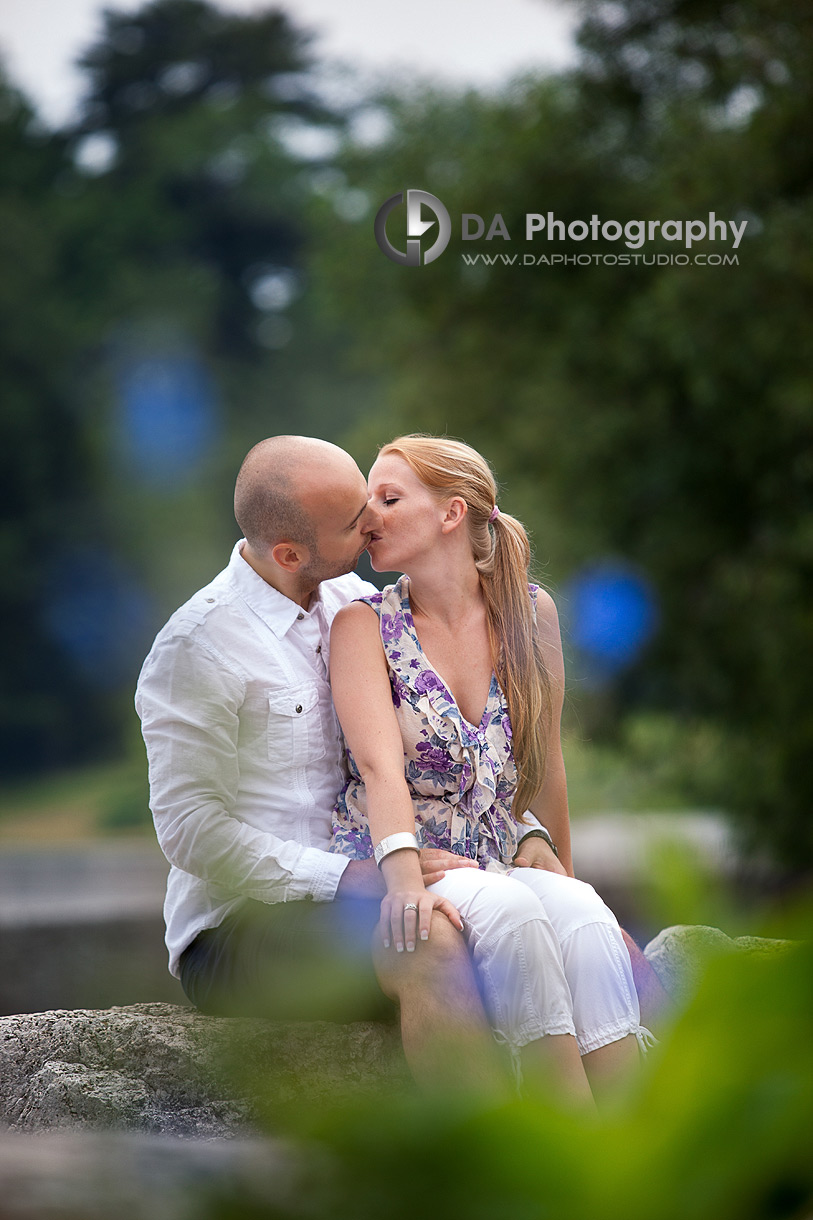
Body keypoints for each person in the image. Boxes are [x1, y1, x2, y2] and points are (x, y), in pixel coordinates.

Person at [135, 435, 511, 1097]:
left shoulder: (353, 604)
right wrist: (350, 877)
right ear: (288, 554)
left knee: (525, 918)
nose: (373, 519)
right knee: (430, 942)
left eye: (370, 497)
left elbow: (445, 738)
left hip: (368, 881)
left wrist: (527, 831)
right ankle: (485, 1174)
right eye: (351, 520)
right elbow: (189, 831)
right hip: (239, 928)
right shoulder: (196, 647)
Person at [329, 434, 655, 1106]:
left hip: (494, 857)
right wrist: (401, 886)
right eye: (367, 504)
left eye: (389, 499)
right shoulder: (362, 626)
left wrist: (564, 875)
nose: (369, 519)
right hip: (408, 860)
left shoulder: (530, 614)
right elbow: (377, 767)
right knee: (512, 914)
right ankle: (563, 1149)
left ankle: (639, 1155)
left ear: (451, 514)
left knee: (587, 921)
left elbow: (545, 760)